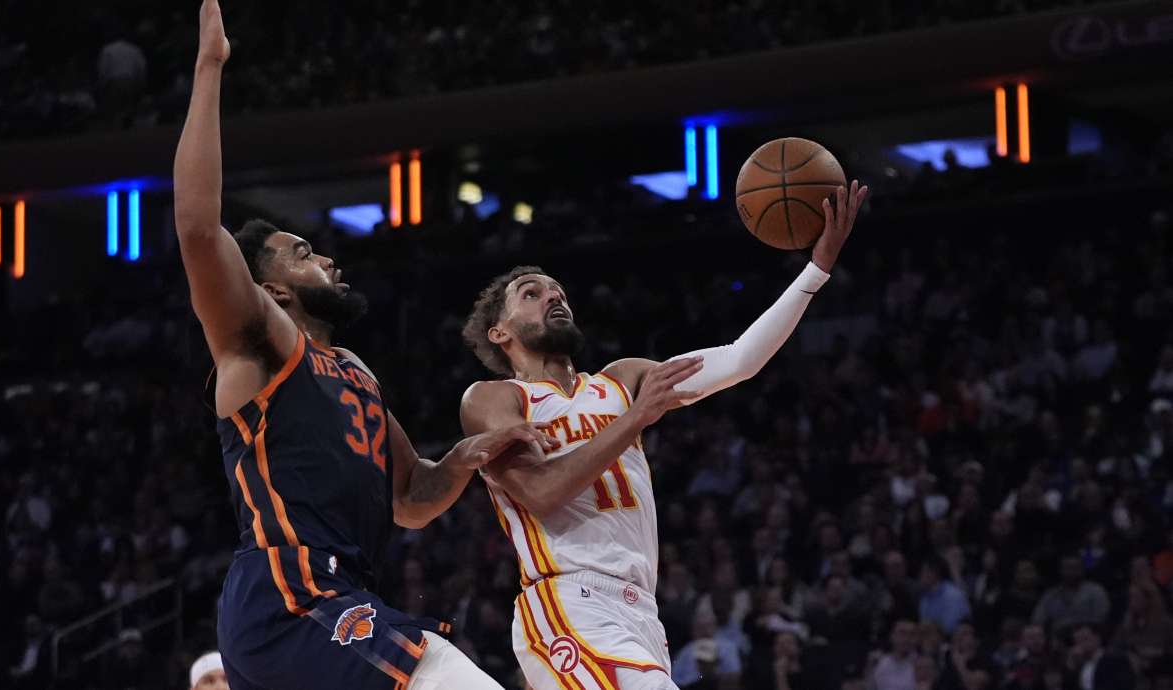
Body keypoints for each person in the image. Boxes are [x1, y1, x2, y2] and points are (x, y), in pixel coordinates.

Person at [172, 2, 556, 689]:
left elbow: (409, 496)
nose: (327, 259)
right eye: (304, 252)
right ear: (273, 290)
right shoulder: (258, 344)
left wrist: (466, 456)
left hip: (343, 596)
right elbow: (200, 230)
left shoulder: (353, 371)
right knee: (443, 672)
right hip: (289, 595)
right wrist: (209, 68)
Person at [460, 181, 868, 690]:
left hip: (642, 615)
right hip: (567, 604)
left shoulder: (622, 380)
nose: (553, 297)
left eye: (558, 290)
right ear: (500, 332)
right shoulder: (495, 399)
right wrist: (634, 421)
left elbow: (739, 360)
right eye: (532, 293)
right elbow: (541, 493)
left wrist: (816, 270)